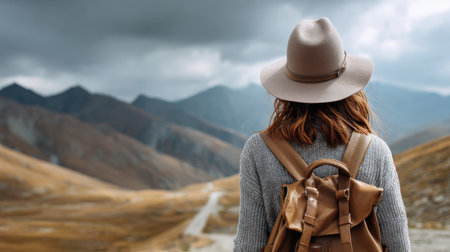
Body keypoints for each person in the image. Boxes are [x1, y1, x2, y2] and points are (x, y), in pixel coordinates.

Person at [233, 17, 410, 251]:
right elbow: (398, 243)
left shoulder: (258, 151)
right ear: (347, 84)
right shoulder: (376, 151)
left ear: (287, 86)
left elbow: (249, 244)